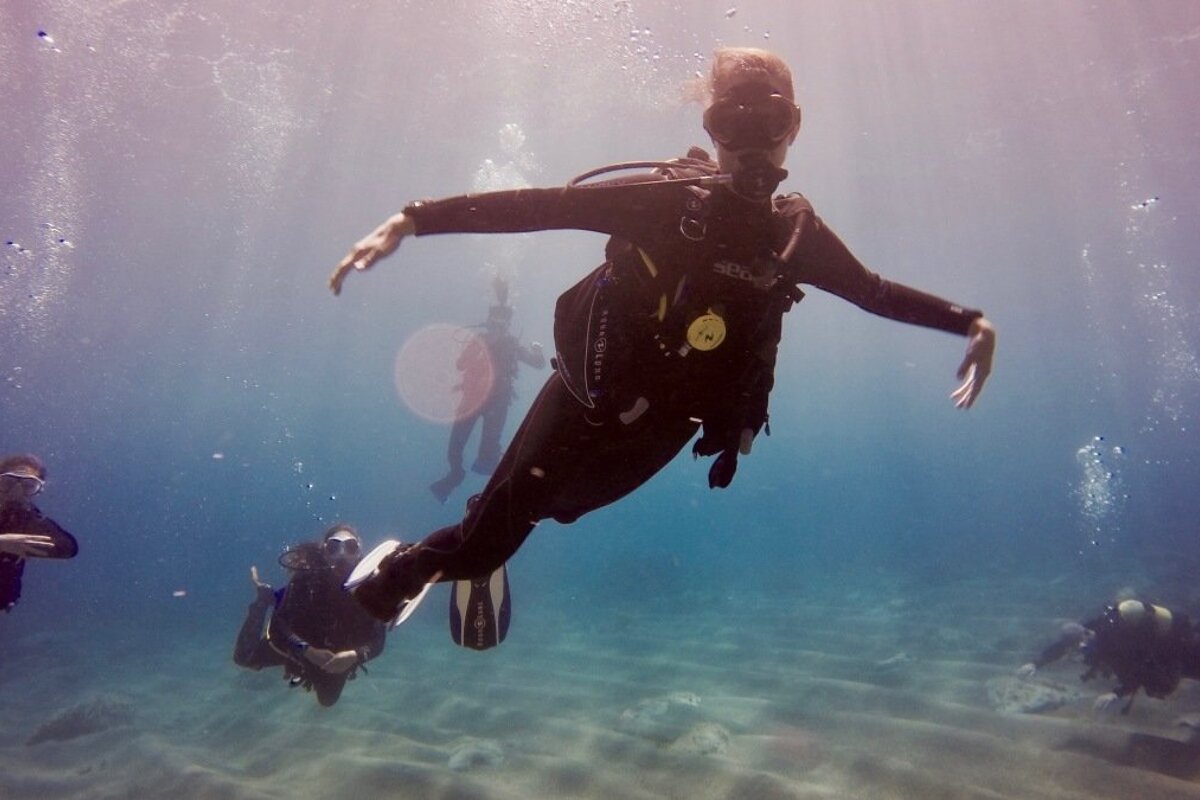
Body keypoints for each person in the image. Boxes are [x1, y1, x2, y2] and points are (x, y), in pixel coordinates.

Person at [328, 47, 997, 624]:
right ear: (711, 127)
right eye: (732, 124)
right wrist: (414, 220)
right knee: (488, 547)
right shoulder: (668, 202)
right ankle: (409, 568)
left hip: (669, 422)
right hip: (585, 398)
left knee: (559, 509)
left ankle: (487, 514)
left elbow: (873, 292)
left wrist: (969, 322)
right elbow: (540, 207)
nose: (753, 143)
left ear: (794, 129)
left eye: (771, 123)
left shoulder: (796, 238)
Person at [233, 524, 386, 706]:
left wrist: (354, 656)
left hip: (339, 657)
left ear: (359, 552)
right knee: (243, 657)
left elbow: (378, 637)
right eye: (334, 548)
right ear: (324, 551)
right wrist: (305, 650)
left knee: (327, 701)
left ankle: (271, 599)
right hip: (298, 647)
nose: (342, 556)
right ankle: (264, 599)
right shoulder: (306, 579)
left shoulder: (368, 586)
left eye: (350, 547)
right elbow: (278, 624)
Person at [430, 276, 546, 503]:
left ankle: (498, 494)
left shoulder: (512, 344)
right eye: (494, 322)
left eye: (502, 323)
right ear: (489, 321)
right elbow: (460, 365)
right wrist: (478, 346)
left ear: (507, 325)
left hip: (498, 403)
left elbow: (537, 363)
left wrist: (537, 351)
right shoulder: (479, 340)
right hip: (471, 401)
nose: (497, 327)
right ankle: (455, 475)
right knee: (455, 447)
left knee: (489, 453)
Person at [1018, 598, 1200, 713]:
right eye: (1076, 648)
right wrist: (1036, 664)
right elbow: (1062, 645)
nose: (1081, 649)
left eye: (1081, 645)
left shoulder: (1113, 643)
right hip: (1170, 642)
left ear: (1087, 634)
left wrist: (1116, 694)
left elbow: (1138, 672)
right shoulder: (1092, 627)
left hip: (1175, 645)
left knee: (1167, 680)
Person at [0, 453, 78, 614]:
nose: (16, 492)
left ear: (39, 490)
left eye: (28, 486)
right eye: (8, 483)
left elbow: (67, 548)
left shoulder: (29, 520)